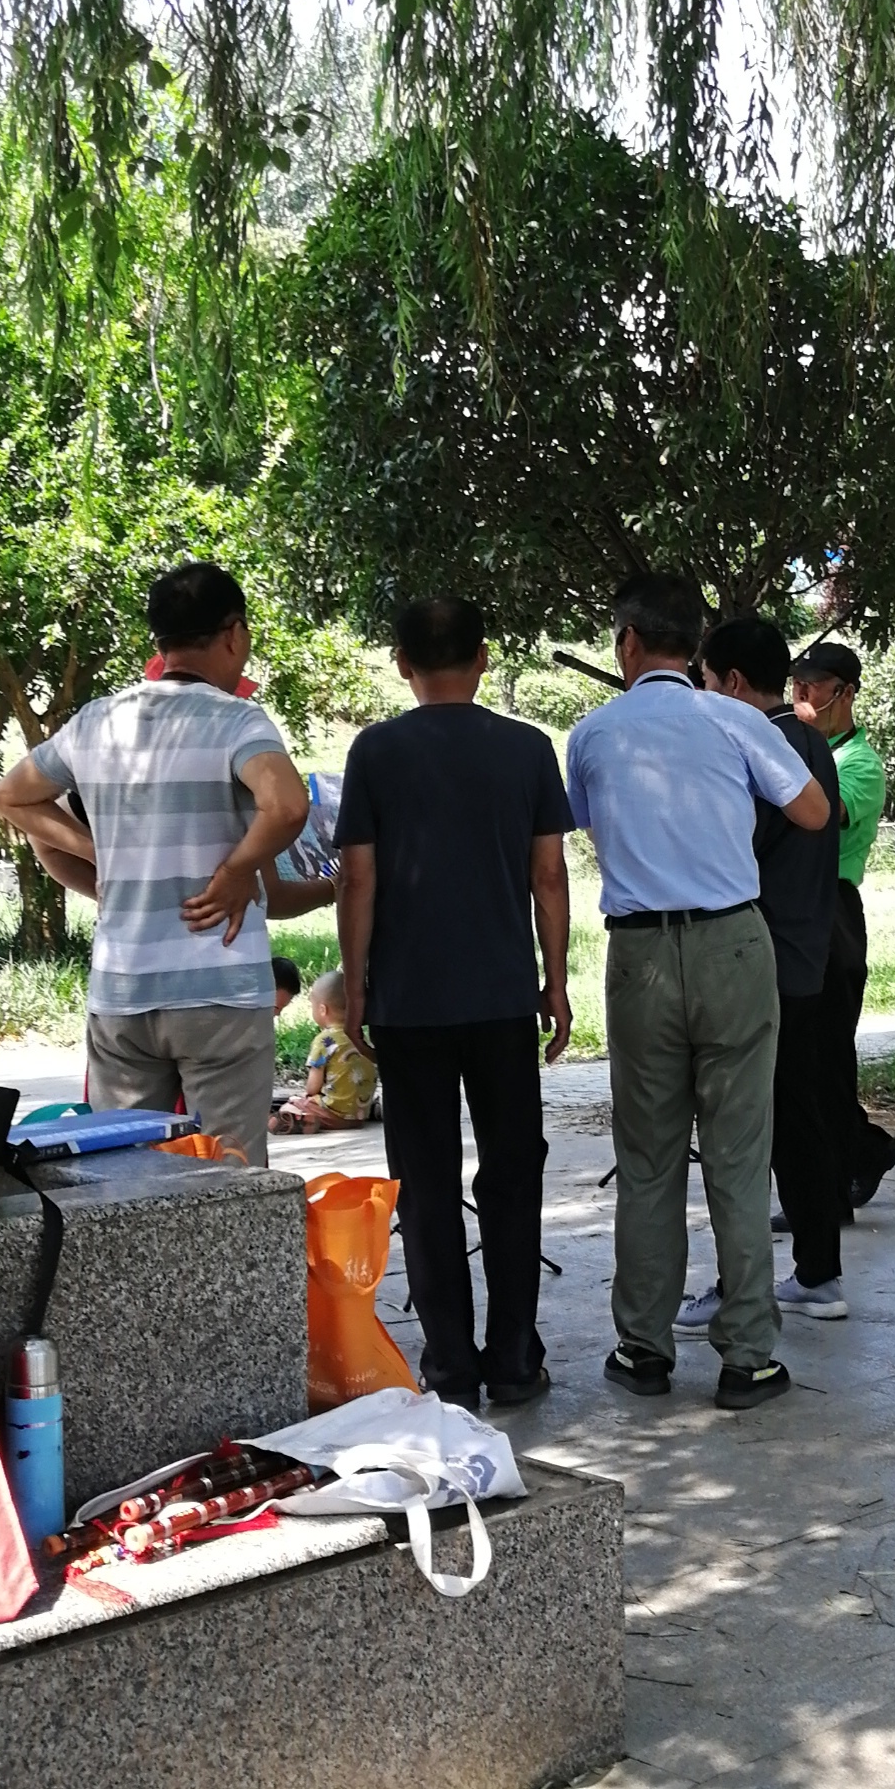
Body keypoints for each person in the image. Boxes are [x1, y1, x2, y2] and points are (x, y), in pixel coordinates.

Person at [565, 572, 831, 1412]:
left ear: (628, 642)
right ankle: (747, 1356)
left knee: (648, 1158)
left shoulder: (593, 733)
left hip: (640, 951)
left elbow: (587, 822)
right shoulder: (735, 719)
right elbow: (814, 811)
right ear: (694, 645)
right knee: (739, 1155)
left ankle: (643, 1347)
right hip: (733, 943)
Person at [334, 595, 574, 1409]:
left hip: (409, 1001)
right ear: (483, 657)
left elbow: (357, 876)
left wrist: (357, 982)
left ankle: (448, 1365)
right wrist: (555, 980)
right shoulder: (528, 748)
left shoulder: (375, 751)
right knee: (513, 1171)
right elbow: (549, 874)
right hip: (502, 995)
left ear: (402, 662)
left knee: (426, 1180)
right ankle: (513, 1357)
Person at [0, 562, 311, 1166]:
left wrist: (101, 856)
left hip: (123, 987)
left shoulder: (97, 721)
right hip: (219, 989)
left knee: (125, 1172)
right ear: (234, 634)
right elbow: (288, 805)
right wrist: (237, 871)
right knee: (229, 1175)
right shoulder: (237, 720)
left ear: (159, 640)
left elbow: (10, 796)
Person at [695, 614, 847, 1320]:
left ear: (730, 680)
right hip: (808, 953)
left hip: (761, 959)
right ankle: (817, 1272)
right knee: (796, 1119)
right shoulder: (810, 739)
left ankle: (739, 1288)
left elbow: (736, 845)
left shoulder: (764, 742)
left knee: (745, 1131)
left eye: (703, 680)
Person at [790, 640, 895, 1215]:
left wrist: (797, 743)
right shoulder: (799, 744)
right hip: (796, 908)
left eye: (814, 687)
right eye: (796, 686)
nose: (803, 696)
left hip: (834, 910)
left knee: (827, 1054)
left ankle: (835, 1184)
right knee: (803, 1058)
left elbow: (824, 812)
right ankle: (855, 1156)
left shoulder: (859, 761)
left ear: (846, 693)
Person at [271, 969, 379, 1134]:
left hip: (333, 1114)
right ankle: (375, 1109)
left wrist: (306, 1096)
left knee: (292, 1104)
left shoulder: (325, 1041)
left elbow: (312, 1088)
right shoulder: (360, 1038)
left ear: (322, 1009)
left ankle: (303, 1119)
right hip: (359, 1114)